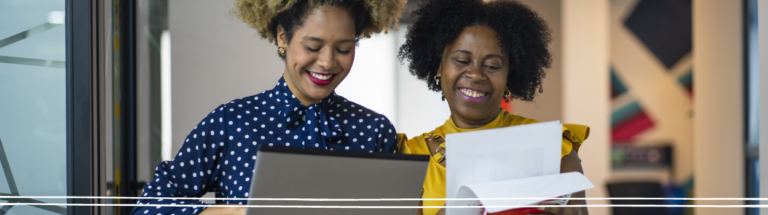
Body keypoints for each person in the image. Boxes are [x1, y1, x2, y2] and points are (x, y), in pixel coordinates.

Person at [131, 0, 405, 214]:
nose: (327, 62)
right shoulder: (232, 122)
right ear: (283, 38)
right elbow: (149, 208)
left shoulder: (375, 131)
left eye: (344, 49)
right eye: (313, 46)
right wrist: (232, 212)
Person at [396, 0, 590, 214]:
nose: (476, 74)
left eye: (492, 66)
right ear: (439, 67)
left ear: (509, 75)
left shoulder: (552, 148)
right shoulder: (411, 156)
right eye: (461, 60)